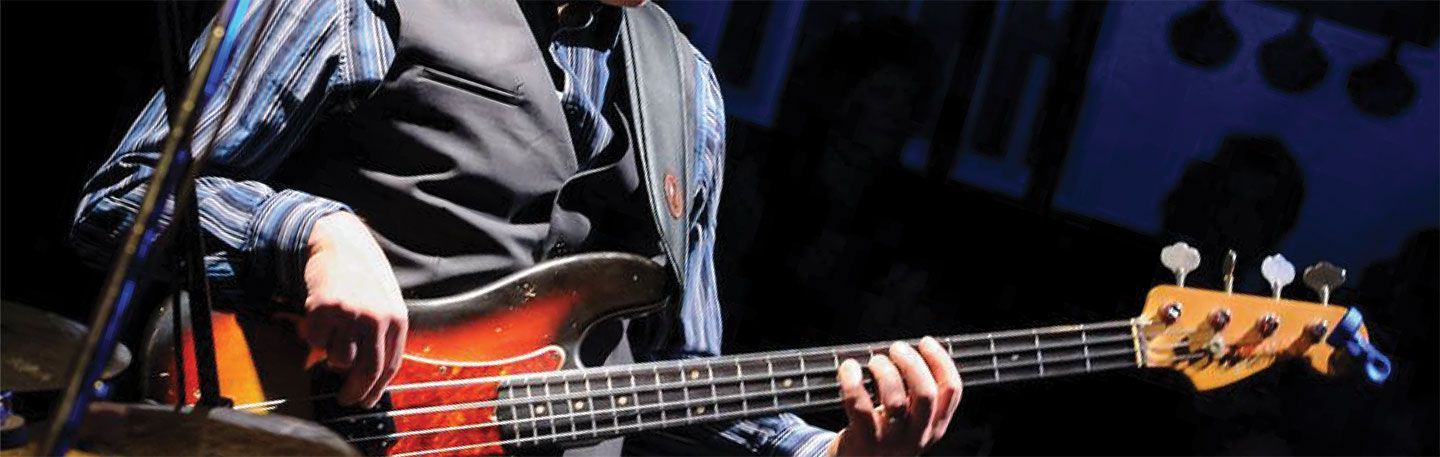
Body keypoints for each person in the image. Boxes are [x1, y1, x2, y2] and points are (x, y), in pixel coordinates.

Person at [69, 1, 962, 455]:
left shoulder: (683, 90)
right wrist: (311, 231)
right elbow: (127, 192)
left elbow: (672, 379)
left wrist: (830, 446)